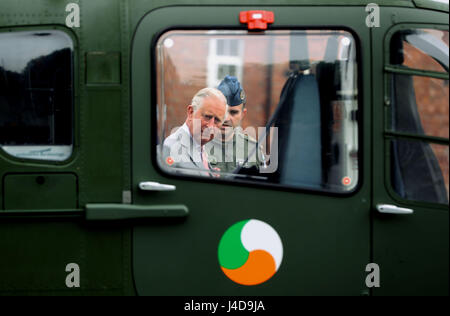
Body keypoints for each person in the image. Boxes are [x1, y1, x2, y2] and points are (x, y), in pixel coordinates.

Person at [160, 87, 227, 177]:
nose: (211, 126)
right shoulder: (170, 148)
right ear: (191, 112)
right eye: (207, 116)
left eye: (217, 120)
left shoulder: (202, 147)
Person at [205, 76, 265, 175]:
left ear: (243, 114)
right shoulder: (196, 145)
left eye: (233, 113)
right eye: (222, 112)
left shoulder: (253, 149)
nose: (226, 118)